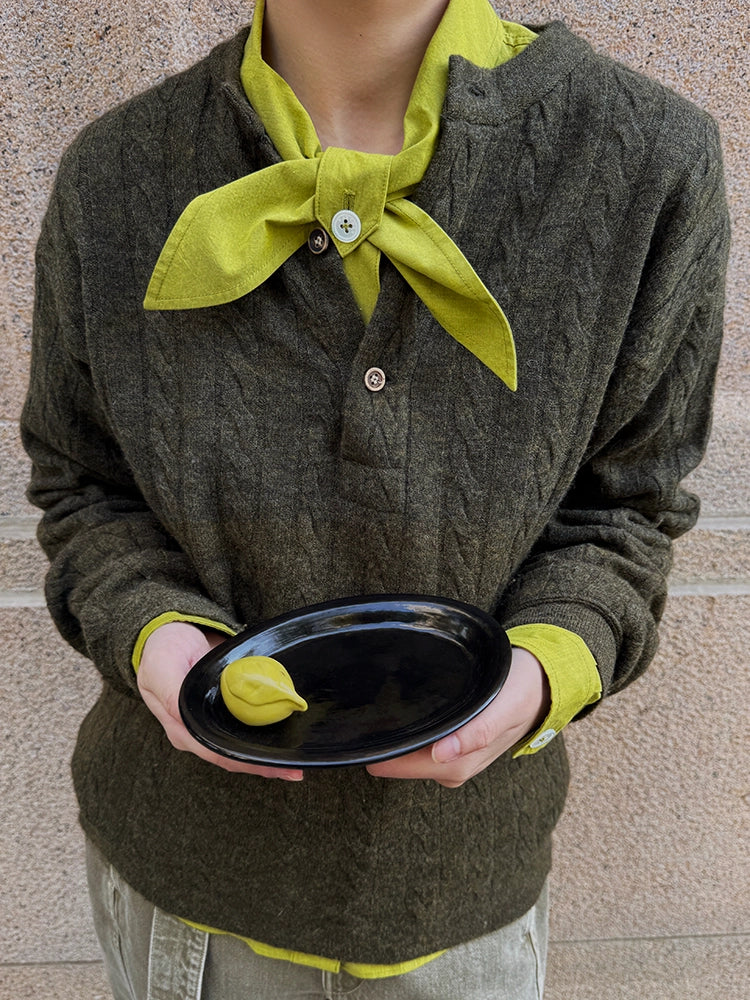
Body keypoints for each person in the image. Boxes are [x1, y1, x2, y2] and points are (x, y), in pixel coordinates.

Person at [22, 0, 729, 996]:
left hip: (462, 899)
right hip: (181, 891)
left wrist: (538, 672)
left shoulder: (649, 166)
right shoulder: (114, 177)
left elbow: (628, 507)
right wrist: (152, 633)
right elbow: (84, 484)